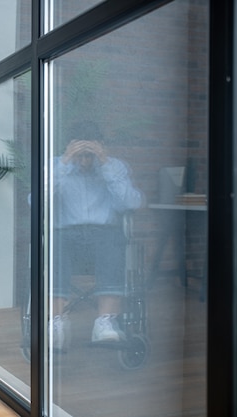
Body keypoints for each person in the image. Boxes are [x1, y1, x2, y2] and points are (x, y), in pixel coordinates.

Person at [52, 135, 143, 350]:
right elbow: (34, 200)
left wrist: (105, 164)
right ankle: (55, 322)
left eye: (89, 155)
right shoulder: (57, 166)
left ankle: (105, 322)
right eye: (79, 155)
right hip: (66, 237)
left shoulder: (113, 167)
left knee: (112, 236)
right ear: (69, 149)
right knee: (55, 241)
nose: (84, 161)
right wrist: (64, 162)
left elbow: (131, 203)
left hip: (104, 239)